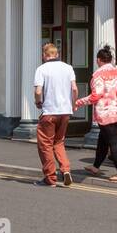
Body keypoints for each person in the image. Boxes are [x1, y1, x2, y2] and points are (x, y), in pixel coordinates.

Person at [76, 45, 117, 181]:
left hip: (106, 113)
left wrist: (78, 102)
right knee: (103, 139)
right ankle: (95, 166)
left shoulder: (98, 75)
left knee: (113, 142)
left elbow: (96, 96)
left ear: (98, 60)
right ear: (111, 60)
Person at [32, 41, 77, 187]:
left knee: (45, 145)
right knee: (59, 142)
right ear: (57, 54)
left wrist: (38, 102)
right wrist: (73, 103)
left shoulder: (42, 69)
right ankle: (65, 170)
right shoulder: (68, 67)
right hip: (65, 111)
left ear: (44, 56)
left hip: (50, 111)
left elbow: (38, 91)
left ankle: (50, 178)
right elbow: (75, 89)